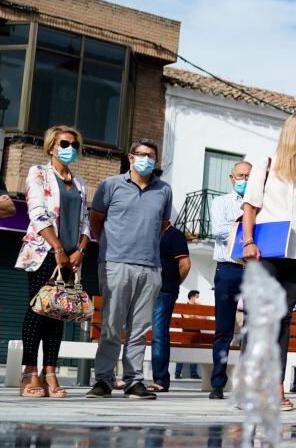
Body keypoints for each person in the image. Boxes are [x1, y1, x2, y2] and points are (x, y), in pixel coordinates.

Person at [242, 113, 296, 412]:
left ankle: (276, 387)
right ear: (292, 132)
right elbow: (250, 208)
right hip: (266, 250)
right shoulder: (265, 166)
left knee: (283, 318)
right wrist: (248, 242)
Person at [86, 138, 173, 400]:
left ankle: (134, 381)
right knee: (111, 324)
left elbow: (163, 224)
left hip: (150, 266)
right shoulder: (110, 185)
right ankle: (104, 380)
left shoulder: (164, 190)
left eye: (151, 156)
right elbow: (95, 220)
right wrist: (110, 245)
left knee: (139, 328)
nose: (147, 159)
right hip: (115, 262)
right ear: (131, 157)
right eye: (142, 154)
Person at [14, 126, 90, 398]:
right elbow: (37, 213)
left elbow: (85, 221)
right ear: (52, 147)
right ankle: (29, 373)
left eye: (75, 145)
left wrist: (80, 249)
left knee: (58, 314)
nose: (71, 149)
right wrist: (57, 247)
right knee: (38, 310)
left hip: (71, 256)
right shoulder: (39, 173)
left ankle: (50, 372)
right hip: (45, 252)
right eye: (65, 143)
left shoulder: (79, 182)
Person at [208, 160, 251, 400]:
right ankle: (217, 383)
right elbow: (219, 229)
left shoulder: (260, 204)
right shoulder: (220, 202)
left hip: (253, 270)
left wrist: (237, 225)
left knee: (251, 329)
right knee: (223, 329)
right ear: (231, 178)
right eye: (240, 176)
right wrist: (247, 224)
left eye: (248, 176)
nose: (244, 180)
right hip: (227, 269)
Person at [148, 225, 191, 392]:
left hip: (165, 291)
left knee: (159, 334)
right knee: (136, 331)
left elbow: (185, 265)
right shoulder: (148, 231)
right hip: (145, 289)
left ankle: (160, 380)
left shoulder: (175, 235)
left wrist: (173, 284)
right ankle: (133, 378)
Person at [176, 290, 202, 380]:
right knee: (182, 352)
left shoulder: (197, 307)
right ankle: (177, 373)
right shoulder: (185, 307)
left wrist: (195, 315)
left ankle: (194, 373)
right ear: (192, 297)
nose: (198, 299)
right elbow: (187, 318)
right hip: (186, 333)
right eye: (197, 297)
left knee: (195, 353)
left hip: (196, 332)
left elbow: (202, 317)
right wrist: (196, 315)